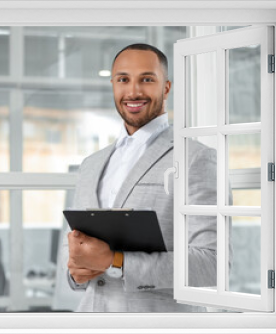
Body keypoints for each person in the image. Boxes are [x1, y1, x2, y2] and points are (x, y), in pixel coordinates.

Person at [61, 43, 219, 312]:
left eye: (146, 79)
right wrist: (76, 273)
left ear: (166, 87)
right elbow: (78, 257)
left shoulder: (195, 158)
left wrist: (116, 260)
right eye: (123, 79)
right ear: (113, 85)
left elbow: (210, 265)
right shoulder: (90, 165)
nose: (133, 91)